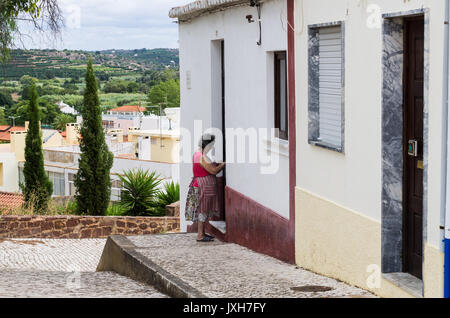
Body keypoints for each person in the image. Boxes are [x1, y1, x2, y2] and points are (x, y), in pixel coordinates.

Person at [185, 134, 226, 242]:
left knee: (202, 209)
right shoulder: (202, 156)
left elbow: (207, 167)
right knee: (203, 210)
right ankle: (200, 235)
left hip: (201, 185)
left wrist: (215, 164)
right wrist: (222, 165)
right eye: (212, 145)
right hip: (204, 186)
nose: (212, 147)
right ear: (207, 145)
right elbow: (213, 171)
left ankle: (202, 233)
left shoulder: (197, 154)